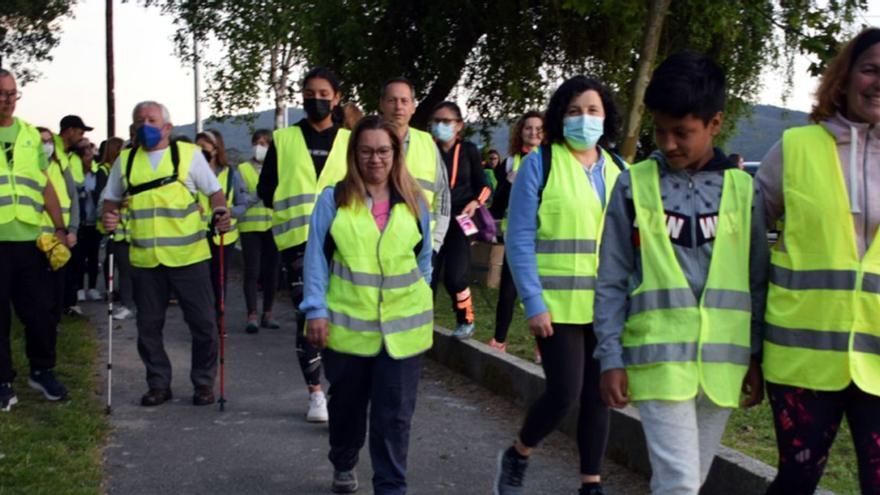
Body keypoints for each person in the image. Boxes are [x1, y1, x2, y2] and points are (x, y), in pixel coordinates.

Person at [594, 52, 768, 495]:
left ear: (715, 124)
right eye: (660, 130)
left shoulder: (744, 190)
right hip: (658, 359)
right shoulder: (633, 185)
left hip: (723, 365)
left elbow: (755, 279)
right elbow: (612, 278)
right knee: (680, 484)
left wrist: (754, 356)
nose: (668, 143)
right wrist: (611, 357)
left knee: (688, 479)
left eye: (682, 133)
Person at [756, 28, 880, 495]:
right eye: (870, 70)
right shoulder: (794, 148)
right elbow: (744, 243)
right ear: (845, 77)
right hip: (802, 360)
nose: (878, 83)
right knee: (796, 481)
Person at [493, 77, 625, 495]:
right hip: (555, 304)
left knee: (599, 396)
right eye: (573, 111)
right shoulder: (541, 162)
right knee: (565, 392)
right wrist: (532, 301)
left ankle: (591, 484)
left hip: (605, 307)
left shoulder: (621, 170)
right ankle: (519, 452)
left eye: (592, 110)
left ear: (606, 117)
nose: (583, 118)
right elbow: (518, 238)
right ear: (559, 117)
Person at [301, 115, 432, 495]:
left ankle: (391, 487)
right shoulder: (334, 199)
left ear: (396, 154)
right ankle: (343, 461)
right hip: (348, 330)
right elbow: (316, 260)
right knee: (346, 410)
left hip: (404, 332)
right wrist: (315, 310)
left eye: (383, 151)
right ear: (354, 154)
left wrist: (421, 293)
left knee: (395, 418)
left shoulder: (414, 200)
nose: (375, 159)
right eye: (366, 151)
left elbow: (424, 259)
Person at [101, 100, 231, 407]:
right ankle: (158, 384)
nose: (145, 125)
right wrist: (110, 216)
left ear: (168, 127)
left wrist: (221, 211)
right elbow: (111, 199)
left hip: (190, 257)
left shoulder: (187, 155)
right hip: (145, 260)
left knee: (203, 325)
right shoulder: (126, 160)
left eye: (152, 119)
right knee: (148, 328)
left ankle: (203, 383)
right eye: (139, 120)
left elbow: (214, 192)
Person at [258, 66, 350, 423]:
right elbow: (268, 189)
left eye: (324, 94)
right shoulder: (284, 139)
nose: (317, 99)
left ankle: (341, 387)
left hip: (342, 243)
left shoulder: (348, 140)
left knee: (341, 315)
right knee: (308, 315)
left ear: (336, 98)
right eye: (310, 93)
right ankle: (315, 393)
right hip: (296, 241)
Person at [0, 69, 71, 411]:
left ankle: (42, 371)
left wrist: (60, 226)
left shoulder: (29, 135)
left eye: (13, 93)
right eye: (2, 94)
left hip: (29, 239)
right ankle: (2, 381)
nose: (9, 99)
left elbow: (44, 186)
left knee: (41, 312)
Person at [429, 101, 491, 339]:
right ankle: (421, 323)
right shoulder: (427, 148)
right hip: (433, 220)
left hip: (460, 220)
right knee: (428, 275)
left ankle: (466, 319)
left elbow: (484, 186)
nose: (440, 126)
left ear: (459, 126)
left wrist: (476, 203)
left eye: (446, 122)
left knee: (456, 276)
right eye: (436, 121)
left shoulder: (469, 151)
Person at [487, 111, 543, 354]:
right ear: (520, 132)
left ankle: (543, 346)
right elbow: (497, 205)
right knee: (508, 291)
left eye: (539, 129)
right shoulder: (510, 162)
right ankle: (499, 340)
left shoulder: (552, 161)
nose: (533, 133)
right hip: (516, 237)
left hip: (544, 236)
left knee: (544, 293)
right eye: (528, 128)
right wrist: (509, 183)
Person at [378, 77, 451, 256]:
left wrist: (435, 243)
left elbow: (443, 196)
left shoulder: (427, 144)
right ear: (381, 104)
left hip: (420, 245)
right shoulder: (367, 142)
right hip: (374, 243)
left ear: (413, 107)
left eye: (404, 101)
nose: (398, 107)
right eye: (392, 100)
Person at [196, 129, 246, 319]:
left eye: (203, 147)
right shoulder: (190, 175)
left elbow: (242, 204)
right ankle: (204, 317)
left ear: (216, 150)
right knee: (202, 280)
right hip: (198, 235)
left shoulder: (231, 174)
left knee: (219, 280)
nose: (198, 151)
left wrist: (228, 212)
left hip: (224, 236)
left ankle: (218, 318)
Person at [38, 126, 81, 322]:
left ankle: (55, 324)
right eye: (41, 141)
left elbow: (73, 201)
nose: (46, 145)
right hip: (35, 237)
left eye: (49, 141)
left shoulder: (61, 167)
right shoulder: (29, 168)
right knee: (38, 286)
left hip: (59, 235)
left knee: (58, 283)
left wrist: (72, 230)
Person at [238, 129, 280, 334]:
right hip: (249, 226)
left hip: (273, 224)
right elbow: (240, 197)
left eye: (264, 143)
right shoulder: (242, 169)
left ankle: (269, 313)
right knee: (252, 271)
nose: (260, 146)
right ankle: (252, 314)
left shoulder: (279, 168)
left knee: (272, 271)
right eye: (257, 142)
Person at [97, 137, 134, 320]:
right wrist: (117, 205)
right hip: (121, 234)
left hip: (143, 234)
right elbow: (103, 204)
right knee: (125, 271)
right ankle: (127, 304)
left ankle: (136, 304)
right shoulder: (116, 174)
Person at [71, 137, 104, 302]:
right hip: (80, 221)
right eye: (86, 155)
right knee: (78, 257)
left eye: (91, 154)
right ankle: (78, 288)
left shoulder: (97, 173)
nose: (89, 158)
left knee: (93, 256)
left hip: (94, 220)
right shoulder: (75, 172)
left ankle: (92, 287)